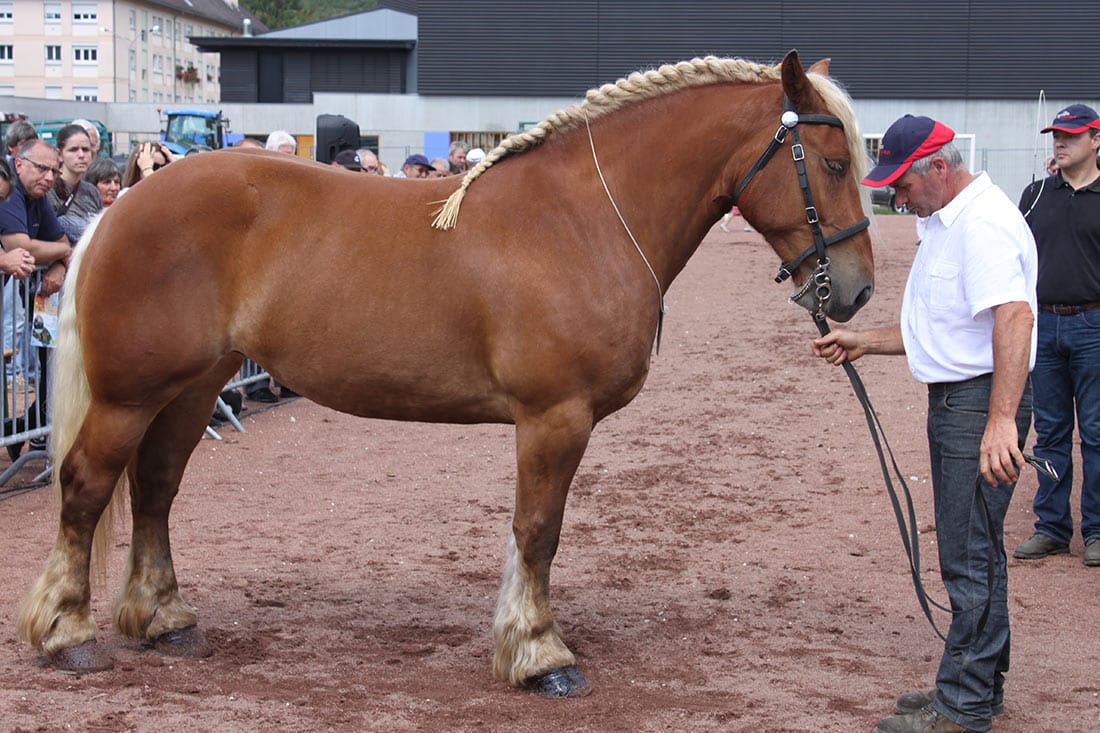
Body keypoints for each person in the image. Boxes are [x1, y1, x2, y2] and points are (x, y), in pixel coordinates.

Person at [812, 115, 1036, 733]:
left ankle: (961, 706)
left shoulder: (983, 225)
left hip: (977, 405)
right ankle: (977, 685)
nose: (896, 198)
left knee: (967, 557)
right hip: (964, 399)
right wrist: (862, 340)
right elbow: (942, 331)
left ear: (939, 166)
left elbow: (1013, 320)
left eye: (903, 185)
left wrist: (1000, 423)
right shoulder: (945, 221)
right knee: (978, 551)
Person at [1014, 104, 1100, 567]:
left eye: (1070, 135)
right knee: (1049, 434)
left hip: (1094, 325)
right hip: (1043, 325)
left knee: (1097, 434)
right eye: (1056, 136)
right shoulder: (1034, 195)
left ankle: (1097, 529)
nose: (1060, 142)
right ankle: (1051, 527)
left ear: (1096, 140)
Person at [0, 139, 73, 458]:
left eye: (53, 171)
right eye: (42, 168)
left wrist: (57, 263)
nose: (49, 177)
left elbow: (57, 240)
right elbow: (22, 247)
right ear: (19, 164)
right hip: (14, 297)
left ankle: (25, 429)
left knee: (51, 360)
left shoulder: (37, 195)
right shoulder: (12, 190)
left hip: (33, 297)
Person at [46, 124, 102, 242]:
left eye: (86, 149)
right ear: (60, 154)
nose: (81, 155)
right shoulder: (47, 189)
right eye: (73, 149)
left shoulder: (92, 192)